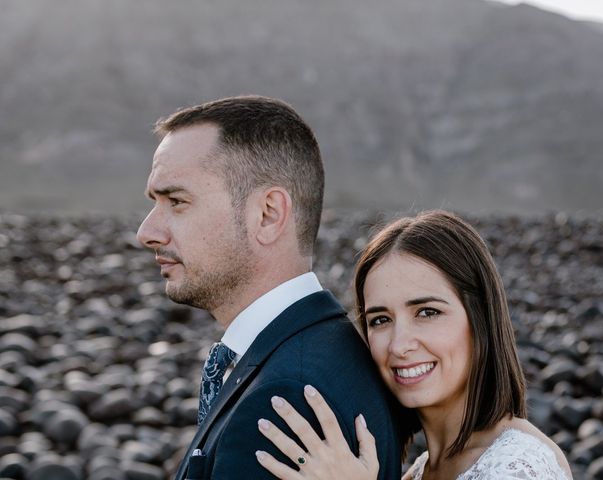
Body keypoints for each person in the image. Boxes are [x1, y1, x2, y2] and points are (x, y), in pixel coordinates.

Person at [136, 95, 409, 480]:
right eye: (154, 202)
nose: (146, 232)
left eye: (176, 201)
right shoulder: (333, 347)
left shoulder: (283, 401)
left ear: (267, 215)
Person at [255, 210, 574, 479]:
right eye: (380, 319)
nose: (399, 345)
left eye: (427, 312)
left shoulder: (518, 465)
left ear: (481, 320)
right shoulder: (423, 469)